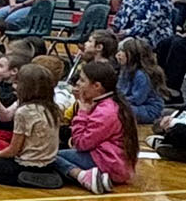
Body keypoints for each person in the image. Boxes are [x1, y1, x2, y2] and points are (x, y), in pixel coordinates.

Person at [0, 64, 65, 189]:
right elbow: (6, 116)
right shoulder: (53, 108)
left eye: (17, 83)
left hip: (27, 164)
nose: (14, 86)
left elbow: (13, 150)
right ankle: (43, 175)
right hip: (49, 163)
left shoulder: (24, 111)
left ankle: (25, 178)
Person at [56, 62, 139, 194]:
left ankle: (81, 175)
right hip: (112, 161)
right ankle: (94, 178)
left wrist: (82, 112)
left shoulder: (106, 111)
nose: (78, 83)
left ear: (97, 86)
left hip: (108, 163)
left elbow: (82, 143)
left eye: (83, 80)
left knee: (49, 157)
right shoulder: (110, 103)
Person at [117, 37, 168, 123]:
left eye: (123, 52)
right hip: (132, 104)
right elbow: (119, 89)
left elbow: (138, 99)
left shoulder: (141, 75)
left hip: (147, 109)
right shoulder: (125, 70)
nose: (118, 54)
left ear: (132, 55)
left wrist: (119, 101)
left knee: (118, 110)